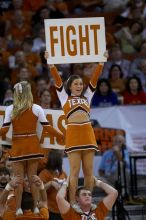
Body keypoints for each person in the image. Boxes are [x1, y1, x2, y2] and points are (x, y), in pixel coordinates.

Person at [44, 51, 108, 204]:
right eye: (76, 84)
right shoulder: (64, 97)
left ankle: (86, 201)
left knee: (88, 172)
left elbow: (94, 80)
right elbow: (57, 81)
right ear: (70, 86)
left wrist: (101, 63)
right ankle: (73, 202)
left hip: (88, 135)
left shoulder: (87, 96)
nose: (79, 86)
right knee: (74, 172)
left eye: (80, 84)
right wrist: (51, 65)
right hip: (73, 136)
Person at [0, 81, 64, 216]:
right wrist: (60, 135)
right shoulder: (36, 108)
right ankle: (35, 207)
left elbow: (4, 130)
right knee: (33, 178)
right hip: (32, 146)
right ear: (29, 92)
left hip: (18, 146)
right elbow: (47, 127)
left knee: (18, 179)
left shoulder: (11, 109)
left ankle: (18, 209)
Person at [39, 149, 67, 220]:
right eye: (60, 159)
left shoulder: (63, 173)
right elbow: (39, 190)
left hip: (63, 209)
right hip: (50, 210)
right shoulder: (44, 173)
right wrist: (50, 183)